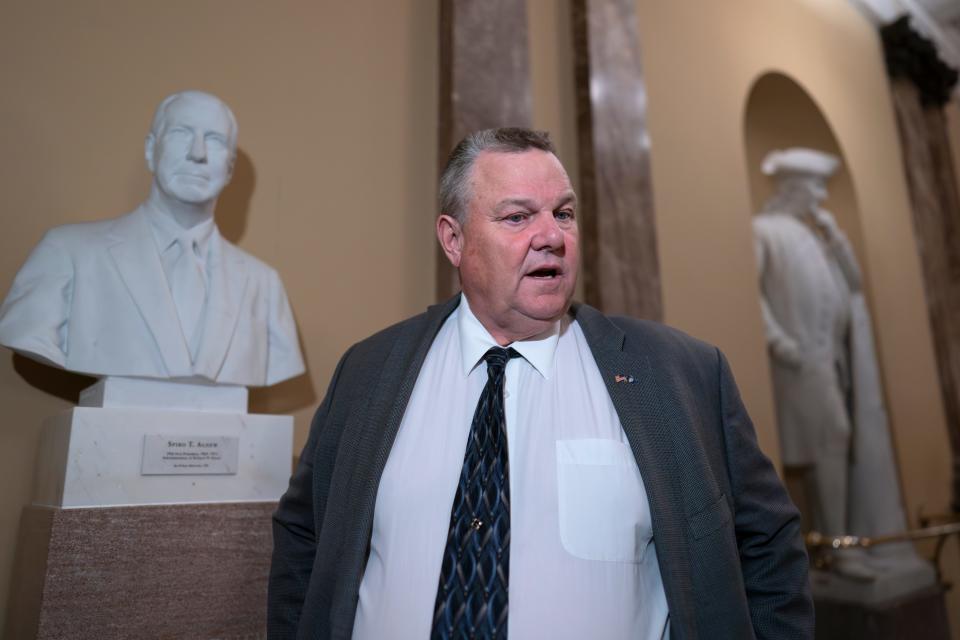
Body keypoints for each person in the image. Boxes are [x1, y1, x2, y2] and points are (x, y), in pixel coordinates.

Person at [269, 128, 812, 639]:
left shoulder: (682, 376)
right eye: (517, 217)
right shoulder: (368, 373)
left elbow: (767, 549)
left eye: (564, 213)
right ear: (453, 239)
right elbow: (304, 540)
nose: (552, 235)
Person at [0, 90, 304, 387]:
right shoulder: (68, 252)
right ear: (151, 150)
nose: (197, 153)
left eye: (214, 139)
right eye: (181, 133)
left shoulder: (263, 283)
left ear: (230, 169)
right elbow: (26, 332)